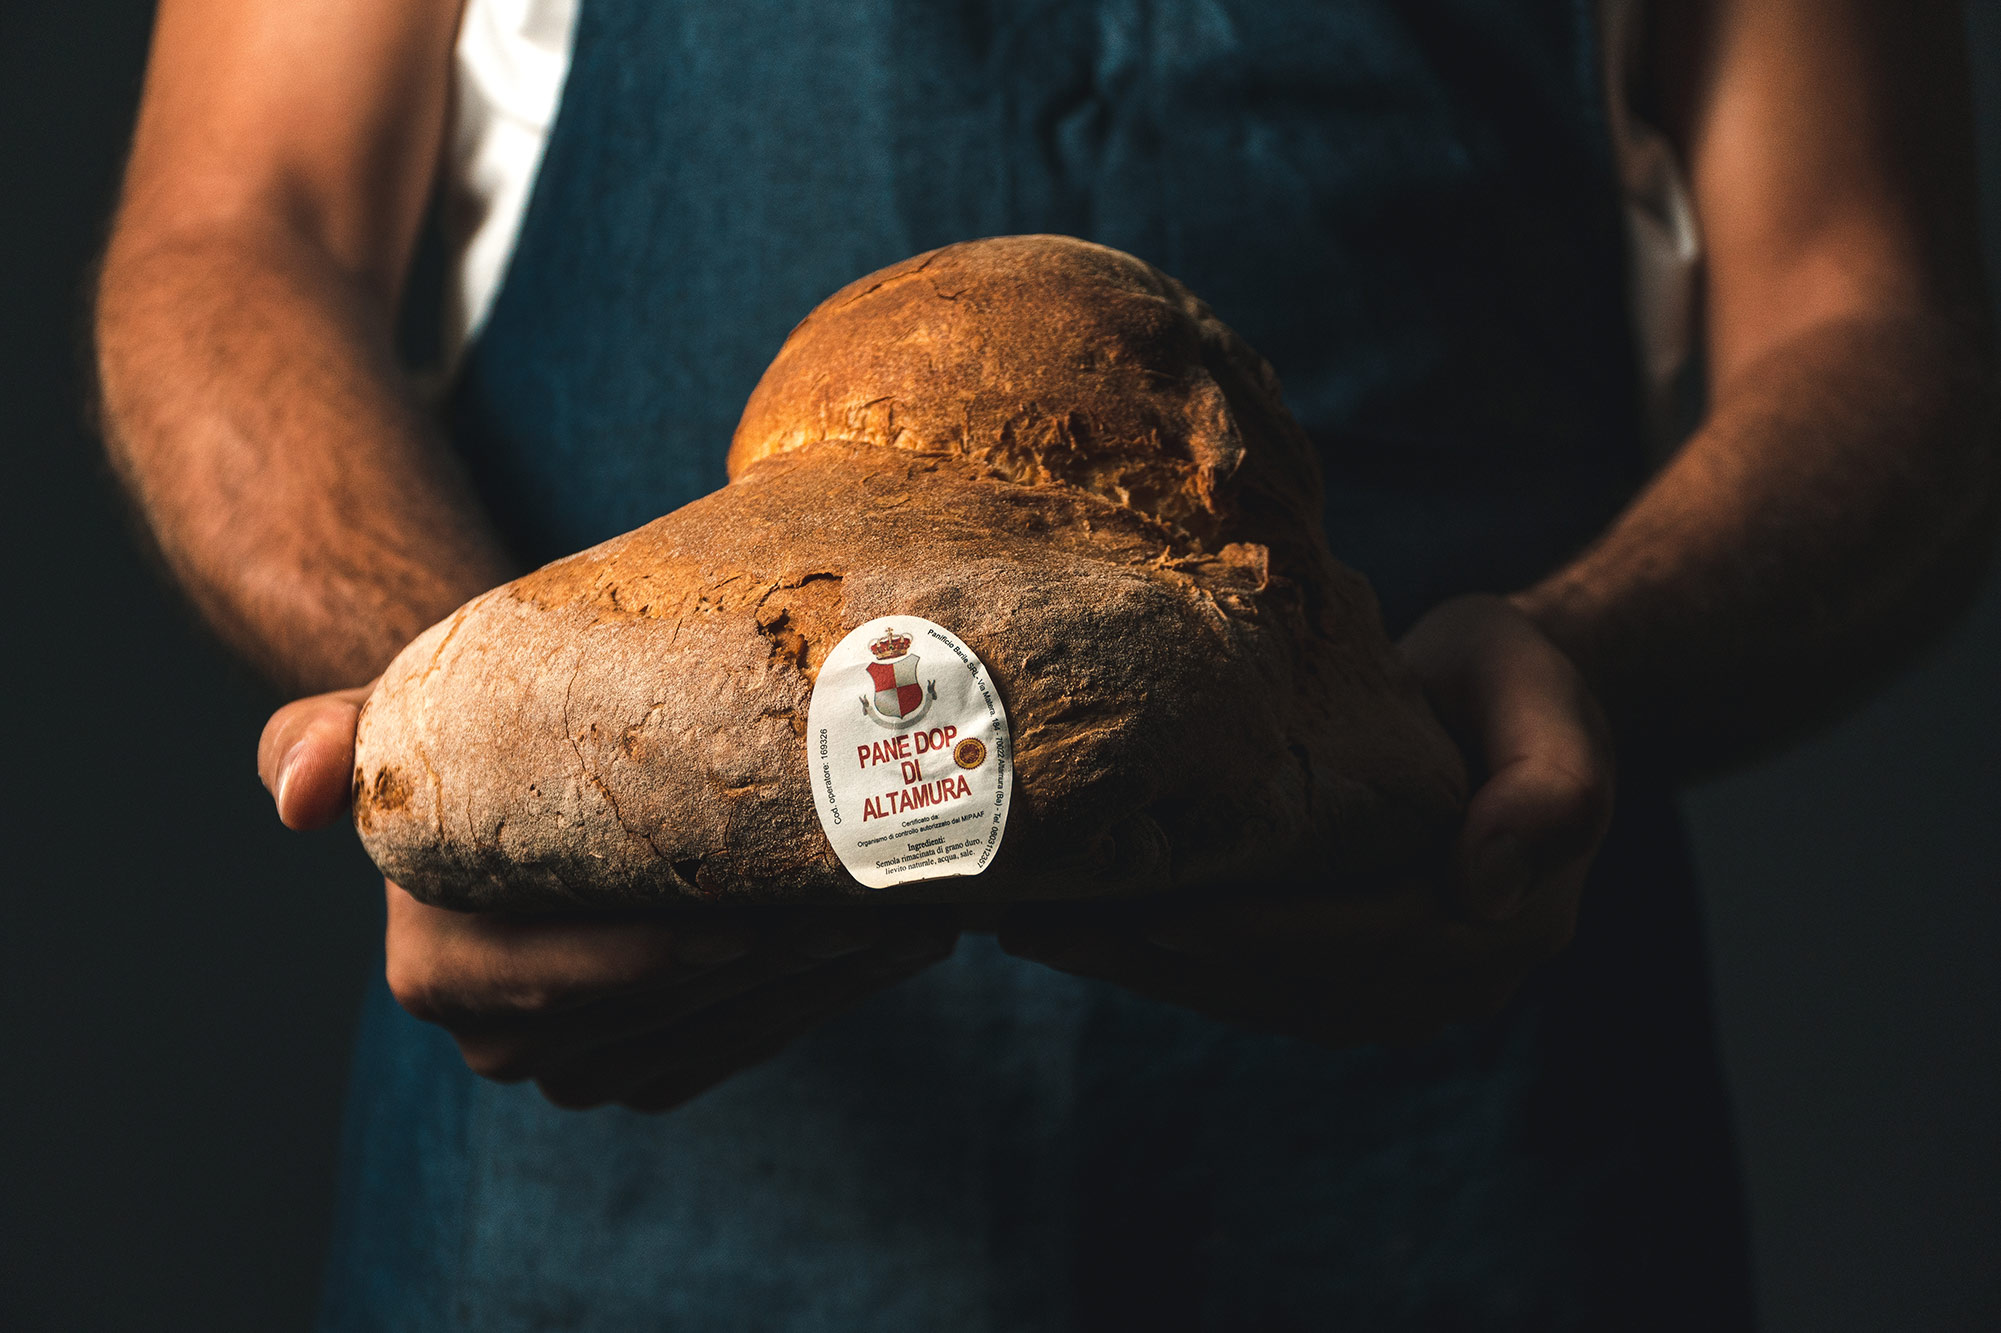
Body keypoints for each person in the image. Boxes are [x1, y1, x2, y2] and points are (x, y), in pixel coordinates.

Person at [94, 0, 1995, 1326]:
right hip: (623, 1205)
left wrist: (1582, 664)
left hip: (1454, 1142)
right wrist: (474, 758)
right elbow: (239, 225)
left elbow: (1873, 307)